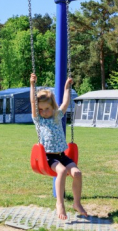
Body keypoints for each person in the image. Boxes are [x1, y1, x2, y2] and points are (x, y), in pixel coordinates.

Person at [30, 73, 86, 220]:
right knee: (61, 172)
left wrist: (67, 88)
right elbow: (32, 103)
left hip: (62, 155)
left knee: (77, 174)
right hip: (48, 157)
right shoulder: (39, 120)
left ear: (52, 106)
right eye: (40, 109)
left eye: (46, 108)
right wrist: (32, 85)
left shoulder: (57, 116)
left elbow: (66, 103)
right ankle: (60, 204)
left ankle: (76, 203)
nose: (43, 112)